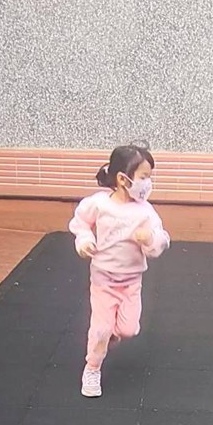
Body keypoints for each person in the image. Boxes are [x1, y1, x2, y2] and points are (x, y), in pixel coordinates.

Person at [69, 144, 170, 397]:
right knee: (101, 328)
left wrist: (149, 239)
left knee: (129, 329)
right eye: (144, 177)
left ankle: (109, 335)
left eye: (149, 177)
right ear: (124, 179)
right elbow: (80, 222)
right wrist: (84, 240)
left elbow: (161, 241)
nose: (148, 183)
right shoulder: (99, 204)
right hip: (103, 279)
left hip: (131, 282)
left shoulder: (146, 212)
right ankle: (92, 368)